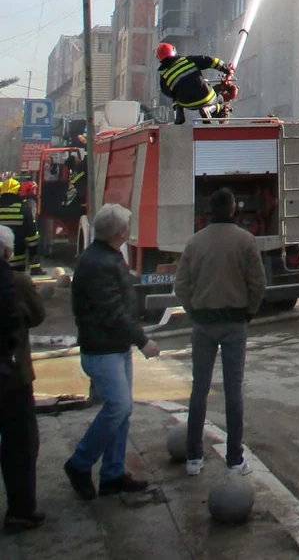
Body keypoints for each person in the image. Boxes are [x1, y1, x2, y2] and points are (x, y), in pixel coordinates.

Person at [64, 204, 160, 500]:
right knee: (119, 407)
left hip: (112, 346)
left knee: (122, 410)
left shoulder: (105, 256)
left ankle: (113, 474)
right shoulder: (99, 263)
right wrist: (143, 341)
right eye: (127, 225)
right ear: (120, 231)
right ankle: (80, 463)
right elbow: (113, 311)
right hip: (102, 349)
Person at [174, 186, 265, 477]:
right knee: (232, 391)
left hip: (202, 324)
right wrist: (248, 312)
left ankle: (193, 458)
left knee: (198, 389)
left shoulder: (194, 242)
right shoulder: (246, 241)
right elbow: (258, 284)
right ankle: (234, 459)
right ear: (233, 209)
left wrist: (194, 311)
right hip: (234, 324)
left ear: (209, 210)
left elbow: (181, 286)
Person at [0, 225, 46, 532]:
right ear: (7, 251)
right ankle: (20, 510)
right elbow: (38, 314)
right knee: (20, 443)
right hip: (12, 375)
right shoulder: (17, 281)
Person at [156, 44, 232, 124]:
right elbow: (210, 61)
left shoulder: (164, 75)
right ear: (174, 51)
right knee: (220, 98)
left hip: (187, 104)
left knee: (175, 97)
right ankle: (210, 109)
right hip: (205, 97)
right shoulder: (188, 60)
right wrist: (226, 69)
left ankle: (179, 112)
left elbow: (166, 92)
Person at [0, 178, 40, 274]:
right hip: (17, 263)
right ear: (18, 191)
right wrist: (35, 265)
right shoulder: (24, 209)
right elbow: (32, 239)